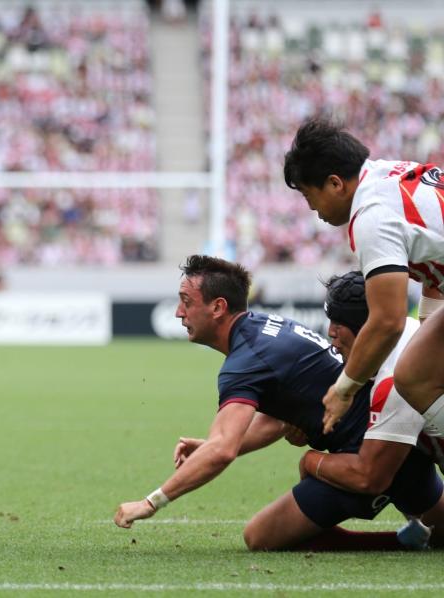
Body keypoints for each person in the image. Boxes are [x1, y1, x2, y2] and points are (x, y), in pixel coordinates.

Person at [113, 255, 443, 550]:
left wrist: (150, 502)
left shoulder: (245, 361)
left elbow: (223, 449)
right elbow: (276, 420)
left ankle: (401, 542)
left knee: (260, 536)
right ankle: (417, 536)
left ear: (218, 307)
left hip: (366, 455)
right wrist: (212, 444)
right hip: (403, 448)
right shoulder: (267, 329)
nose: (178, 311)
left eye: (186, 301)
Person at [282, 117, 444, 436]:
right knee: (417, 372)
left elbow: (387, 321)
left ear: (335, 183)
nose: (312, 209)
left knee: (414, 376)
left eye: (307, 195)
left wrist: (344, 389)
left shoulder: (371, 215)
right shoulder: (388, 173)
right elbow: (434, 254)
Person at [298, 270, 444, 546]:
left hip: (393, 469)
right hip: (422, 466)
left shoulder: (397, 380)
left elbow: (369, 477)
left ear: (366, 328)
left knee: (262, 535)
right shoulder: (412, 332)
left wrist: (310, 460)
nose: (330, 333)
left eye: (338, 323)